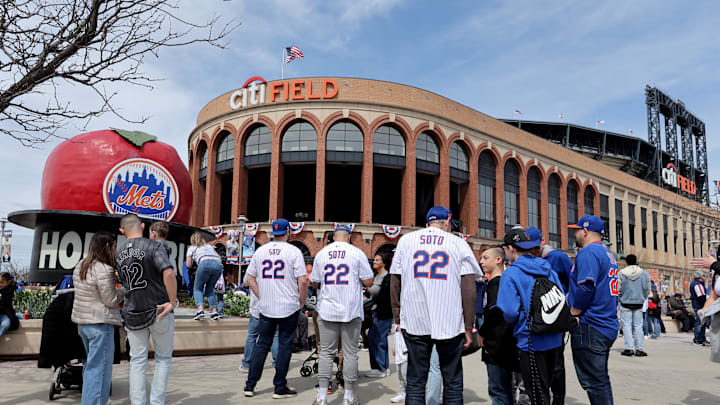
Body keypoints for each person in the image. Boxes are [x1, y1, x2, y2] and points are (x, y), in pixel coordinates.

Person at [390, 206, 479, 405]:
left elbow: (395, 280)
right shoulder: (457, 243)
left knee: (415, 380)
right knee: (453, 380)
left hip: (414, 320)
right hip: (449, 320)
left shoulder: (406, 241)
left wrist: (398, 317)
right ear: (447, 222)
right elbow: (469, 289)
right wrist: (468, 326)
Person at [116, 213, 177, 405]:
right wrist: (173, 302)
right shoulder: (155, 246)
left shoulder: (118, 253)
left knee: (137, 362)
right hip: (158, 308)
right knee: (163, 359)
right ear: (143, 227)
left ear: (121, 230)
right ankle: (156, 402)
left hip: (133, 311)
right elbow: (168, 273)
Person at [497, 227, 563, 405]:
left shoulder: (511, 274)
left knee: (537, 394)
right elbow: (561, 297)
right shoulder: (549, 269)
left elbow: (509, 311)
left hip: (530, 340)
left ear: (511, 248)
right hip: (554, 337)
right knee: (545, 390)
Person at [310, 224, 374, 405]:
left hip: (327, 309)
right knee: (351, 353)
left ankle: (322, 396)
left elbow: (314, 282)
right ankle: (348, 396)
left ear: (333, 236)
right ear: (349, 236)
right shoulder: (357, 253)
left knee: (326, 354)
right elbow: (369, 281)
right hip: (350, 310)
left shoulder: (322, 253)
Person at [243, 218, 308, 399]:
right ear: (288, 232)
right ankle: (279, 386)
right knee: (285, 344)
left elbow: (249, 278)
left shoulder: (261, 251)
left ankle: (250, 385)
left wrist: (261, 296)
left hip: (267, 306)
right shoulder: (294, 251)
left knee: (262, 344)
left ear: (274, 233)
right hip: (288, 305)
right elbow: (303, 280)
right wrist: (301, 301)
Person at [567, 215, 618, 405]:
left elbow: (586, 286)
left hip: (592, 324)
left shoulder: (587, 253)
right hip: (605, 322)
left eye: (577, 229)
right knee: (599, 380)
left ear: (585, 231)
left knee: (594, 382)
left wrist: (574, 312)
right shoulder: (607, 253)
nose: (575, 233)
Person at [71, 231, 122, 405]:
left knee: (91, 368)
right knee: (100, 372)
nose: (116, 250)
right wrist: (123, 290)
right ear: (108, 246)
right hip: (101, 324)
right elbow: (111, 300)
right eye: (114, 246)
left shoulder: (81, 266)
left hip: (83, 324)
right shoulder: (105, 269)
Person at [477, 246, 518, 405]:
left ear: (498, 259)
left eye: (486, 258)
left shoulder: (497, 284)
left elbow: (496, 312)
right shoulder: (501, 282)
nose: (481, 261)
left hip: (497, 346)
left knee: (498, 390)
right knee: (505, 389)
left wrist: (482, 332)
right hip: (504, 345)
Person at [537, 237, 573, 405]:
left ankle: (558, 400)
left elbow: (573, 281)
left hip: (556, 315)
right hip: (537, 317)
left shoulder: (558, 257)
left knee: (556, 362)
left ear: (543, 241)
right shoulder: (530, 259)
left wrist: (568, 305)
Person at [239, 278, 279, 373]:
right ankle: (278, 362)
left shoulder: (255, 263)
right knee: (276, 335)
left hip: (257, 307)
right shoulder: (278, 264)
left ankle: (247, 363)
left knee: (252, 335)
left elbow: (246, 281)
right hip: (273, 307)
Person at [366, 250, 394, 378]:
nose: (374, 262)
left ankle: (381, 367)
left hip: (383, 312)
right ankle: (381, 366)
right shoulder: (375, 276)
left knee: (378, 339)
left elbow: (382, 295)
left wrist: (367, 290)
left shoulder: (387, 277)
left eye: (377, 260)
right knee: (374, 338)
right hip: (374, 311)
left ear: (384, 263)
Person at [186, 232, 223, 321]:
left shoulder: (192, 248)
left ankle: (200, 311)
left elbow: (188, 265)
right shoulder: (209, 246)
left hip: (204, 263)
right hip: (218, 265)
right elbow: (219, 258)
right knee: (210, 289)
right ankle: (214, 312)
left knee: (197, 289)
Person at [618, 254, 650, 356]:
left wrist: (620, 298)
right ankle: (639, 349)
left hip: (625, 302)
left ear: (626, 262)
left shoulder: (621, 273)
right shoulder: (644, 273)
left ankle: (628, 348)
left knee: (626, 325)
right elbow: (647, 288)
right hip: (638, 302)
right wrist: (643, 297)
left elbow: (618, 288)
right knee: (638, 326)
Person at [690, 270, 709, 345]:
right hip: (700, 305)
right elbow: (701, 296)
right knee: (700, 323)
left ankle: (700, 338)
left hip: (697, 305)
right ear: (700, 277)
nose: (705, 277)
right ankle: (698, 338)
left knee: (701, 322)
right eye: (703, 275)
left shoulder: (695, 284)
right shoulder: (698, 284)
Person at [391, 325, 408, 403]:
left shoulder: (406, 323)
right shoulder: (396, 326)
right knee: (400, 374)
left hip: (405, 354)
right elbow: (395, 337)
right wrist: (394, 347)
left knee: (405, 375)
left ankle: (409, 393)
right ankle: (402, 392)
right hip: (398, 354)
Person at [0, 272, 20, 336]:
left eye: (2, 282)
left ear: (8, 282)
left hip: (5, 313)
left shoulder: (10, 291)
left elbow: (4, 303)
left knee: (5, 325)